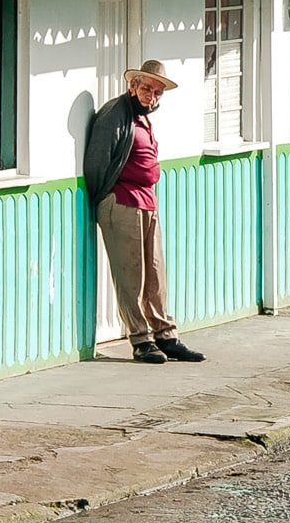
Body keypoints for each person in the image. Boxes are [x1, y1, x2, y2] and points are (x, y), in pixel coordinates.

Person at [83, 59, 204, 365]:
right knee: (131, 276)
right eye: (147, 88)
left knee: (155, 276)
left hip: (147, 201)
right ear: (133, 85)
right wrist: (105, 197)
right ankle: (141, 341)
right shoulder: (115, 114)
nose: (152, 96)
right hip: (122, 202)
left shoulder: (143, 118)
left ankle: (166, 336)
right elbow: (97, 163)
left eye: (158, 92)